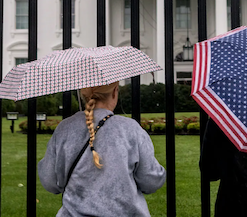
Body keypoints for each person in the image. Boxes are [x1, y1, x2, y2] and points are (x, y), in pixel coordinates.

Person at [39, 81, 166, 216]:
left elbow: (50, 181)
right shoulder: (130, 129)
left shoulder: (64, 129)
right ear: (114, 92)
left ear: (83, 93)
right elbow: (151, 181)